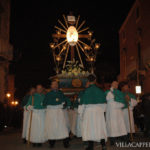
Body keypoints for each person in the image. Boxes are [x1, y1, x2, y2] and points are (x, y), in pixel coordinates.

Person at [79, 74, 107, 150]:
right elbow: (104, 104)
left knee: (89, 129)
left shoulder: (86, 91)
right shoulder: (100, 91)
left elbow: (82, 104)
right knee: (100, 128)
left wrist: (81, 114)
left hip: (88, 112)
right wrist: (102, 111)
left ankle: (90, 146)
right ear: (95, 80)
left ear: (88, 81)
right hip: (98, 112)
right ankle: (103, 145)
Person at [43, 80, 71, 148]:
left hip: (59, 113)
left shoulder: (61, 93)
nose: (55, 85)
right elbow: (44, 103)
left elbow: (65, 101)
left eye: (56, 84)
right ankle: (51, 144)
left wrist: (66, 105)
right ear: (51, 86)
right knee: (51, 128)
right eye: (53, 84)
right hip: (51, 113)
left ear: (58, 86)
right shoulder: (48, 94)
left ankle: (66, 143)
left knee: (62, 127)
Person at [105, 81, 127, 145]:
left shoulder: (119, 92)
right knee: (112, 125)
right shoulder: (107, 92)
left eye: (117, 84)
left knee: (120, 124)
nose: (116, 85)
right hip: (111, 111)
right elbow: (107, 99)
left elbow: (123, 102)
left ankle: (124, 139)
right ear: (111, 85)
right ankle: (112, 140)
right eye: (114, 84)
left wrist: (119, 104)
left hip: (118, 111)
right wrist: (111, 92)